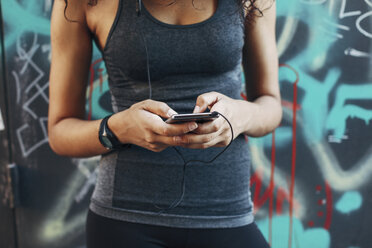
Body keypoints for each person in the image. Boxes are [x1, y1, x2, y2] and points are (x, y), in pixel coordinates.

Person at [48, 0, 282, 247]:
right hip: (127, 220)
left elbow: (271, 105)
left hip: (227, 214)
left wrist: (239, 115)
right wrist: (118, 129)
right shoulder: (81, 3)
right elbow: (60, 131)